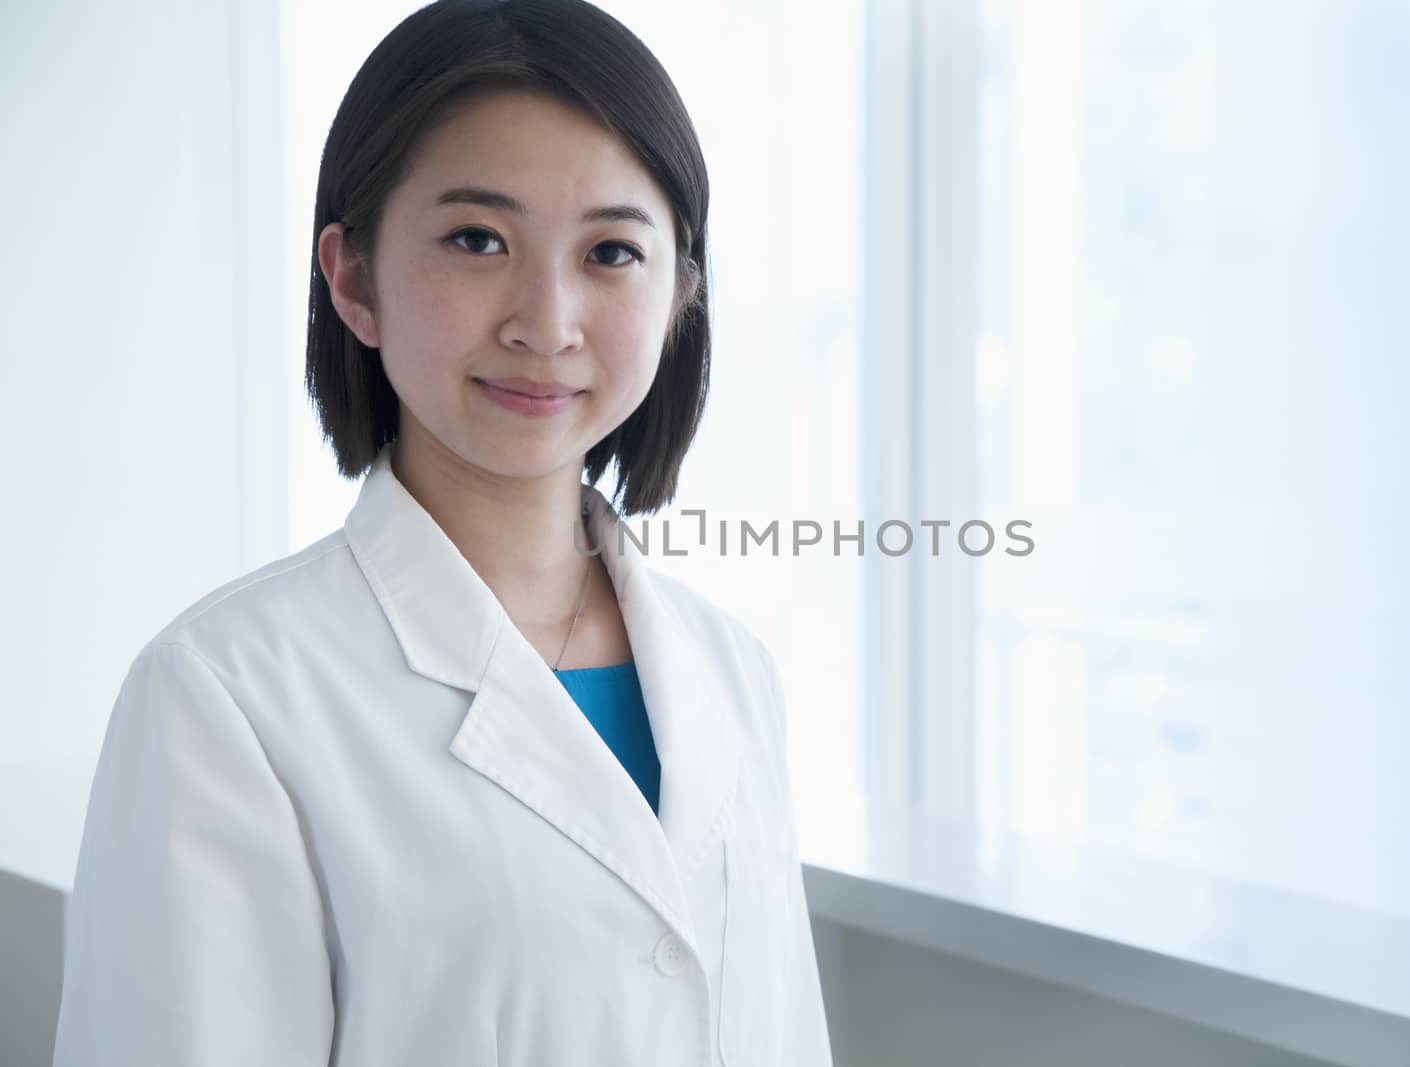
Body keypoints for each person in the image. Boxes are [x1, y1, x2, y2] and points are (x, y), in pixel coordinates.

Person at [51, 1, 833, 1063]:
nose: (545, 320)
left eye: (610, 250)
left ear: (680, 293)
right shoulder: (225, 697)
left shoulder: (733, 672)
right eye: (478, 239)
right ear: (354, 278)